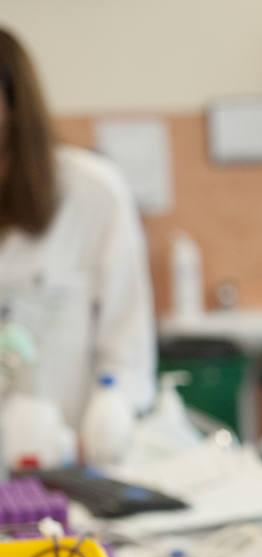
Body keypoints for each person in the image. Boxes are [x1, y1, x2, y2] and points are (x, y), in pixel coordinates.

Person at [0, 28, 155, 427]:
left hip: (71, 459)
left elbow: (128, 345)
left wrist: (109, 423)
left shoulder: (92, 192)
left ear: (13, 103)